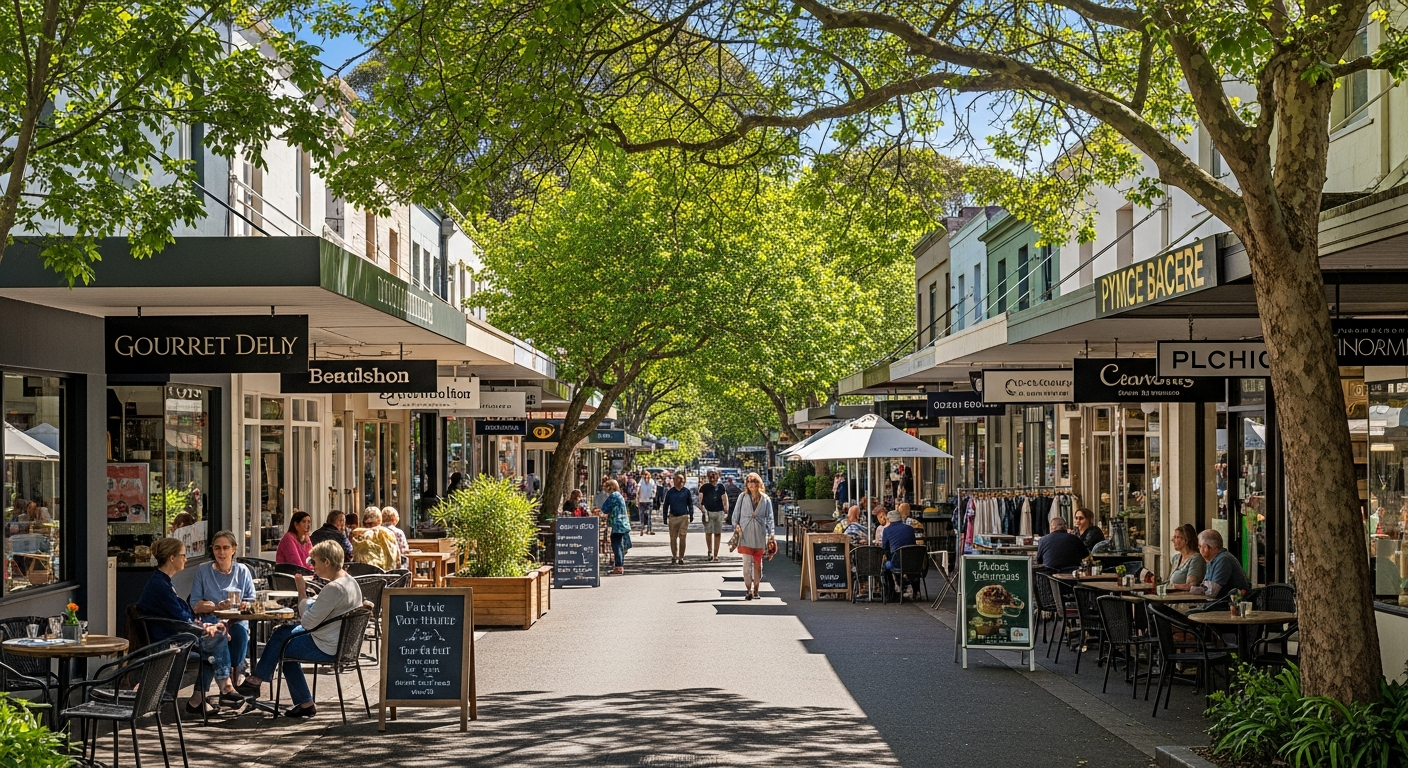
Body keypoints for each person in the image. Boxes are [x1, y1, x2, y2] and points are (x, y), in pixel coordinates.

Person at [237, 540, 363, 717]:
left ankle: (257, 681)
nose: (312, 566)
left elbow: (308, 623)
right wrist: (314, 602)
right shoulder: (350, 582)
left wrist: (301, 592)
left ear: (327, 562)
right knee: (283, 635)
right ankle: (302, 702)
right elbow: (324, 611)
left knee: (282, 641)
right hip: (341, 642)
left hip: (327, 645)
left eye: (315, 562)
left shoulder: (334, 588)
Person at [137, 538, 244, 715]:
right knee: (216, 640)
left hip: (176, 633)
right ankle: (225, 688)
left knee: (215, 643)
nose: (186, 559)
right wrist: (205, 629)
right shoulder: (160, 586)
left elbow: (181, 617)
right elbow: (179, 619)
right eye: (183, 555)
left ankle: (199, 700)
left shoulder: (163, 582)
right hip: (168, 639)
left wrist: (207, 625)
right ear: (172, 558)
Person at [189, 530, 255, 689]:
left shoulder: (242, 571)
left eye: (226, 547)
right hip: (210, 621)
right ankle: (228, 685)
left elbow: (251, 601)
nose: (221, 552)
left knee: (238, 634)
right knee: (215, 637)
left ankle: (231, 673)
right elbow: (195, 604)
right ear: (212, 550)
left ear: (234, 549)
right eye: (217, 548)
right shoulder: (203, 570)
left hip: (237, 620)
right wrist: (218, 607)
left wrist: (232, 608)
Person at [735, 473, 774, 600]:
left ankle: (756, 588)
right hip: (745, 533)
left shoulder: (765, 499)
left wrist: (771, 534)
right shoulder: (742, 497)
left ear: (759, 483)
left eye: (754, 481)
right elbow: (736, 514)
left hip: (760, 534)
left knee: (758, 563)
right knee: (747, 563)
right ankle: (748, 588)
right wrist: (736, 525)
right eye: (749, 481)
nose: (751, 484)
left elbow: (770, 518)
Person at [1189, 529, 1251, 598]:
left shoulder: (1223, 559)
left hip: (1230, 605)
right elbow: (1205, 586)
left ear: (1206, 547)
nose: (1199, 549)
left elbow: (1212, 592)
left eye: (1200, 546)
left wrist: (1192, 589)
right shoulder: (1213, 560)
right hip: (1221, 603)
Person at [880, 507, 919, 597]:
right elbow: (913, 543)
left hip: (897, 563)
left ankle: (891, 591)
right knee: (904, 563)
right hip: (913, 562)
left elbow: (884, 548)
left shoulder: (887, 530)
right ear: (900, 518)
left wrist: (889, 558)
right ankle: (916, 590)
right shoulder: (910, 529)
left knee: (885, 567)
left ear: (889, 520)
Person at [661, 472, 695, 565]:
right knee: (673, 538)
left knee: (682, 537)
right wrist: (664, 517)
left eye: (682, 480)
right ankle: (674, 556)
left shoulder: (686, 491)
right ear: (674, 480)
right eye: (679, 479)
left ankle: (681, 557)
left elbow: (690, 504)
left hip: (684, 516)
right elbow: (665, 505)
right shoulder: (670, 492)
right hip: (673, 517)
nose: (681, 481)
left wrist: (691, 515)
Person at [351, 507, 399, 571]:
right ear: (379, 520)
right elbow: (397, 559)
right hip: (385, 576)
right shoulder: (386, 533)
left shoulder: (355, 534)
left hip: (360, 576)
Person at [599, 478, 631, 574]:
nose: (604, 490)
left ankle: (618, 566)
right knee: (619, 545)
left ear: (610, 487)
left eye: (605, 488)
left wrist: (601, 512)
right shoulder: (619, 495)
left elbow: (605, 508)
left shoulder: (613, 496)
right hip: (622, 523)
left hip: (618, 524)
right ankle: (619, 565)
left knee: (616, 545)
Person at [698, 470, 728, 563]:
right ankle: (710, 552)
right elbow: (700, 500)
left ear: (718, 477)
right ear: (708, 477)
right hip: (708, 513)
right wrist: (703, 511)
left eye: (714, 475)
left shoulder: (721, 487)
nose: (712, 477)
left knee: (717, 533)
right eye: (711, 475)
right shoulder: (704, 487)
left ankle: (716, 554)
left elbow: (724, 499)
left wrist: (726, 511)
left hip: (719, 512)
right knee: (708, 533)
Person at [1166, 523, 1207, 590]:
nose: (1173, 540)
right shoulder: (1176, 558)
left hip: (1184, 598)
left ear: (1186, 540)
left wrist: (1173, 586)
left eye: (1177, 537)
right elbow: (1169, 581)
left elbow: (1190, 586)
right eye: (1174, 537)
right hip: (1172, 596)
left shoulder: (1196, 558)